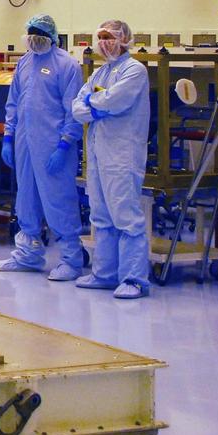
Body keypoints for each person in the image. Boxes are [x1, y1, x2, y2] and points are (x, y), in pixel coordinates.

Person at [0, 14, 85, 280]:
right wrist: (8, 137)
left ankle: (71, 259)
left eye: (38, 34)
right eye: (30, 34)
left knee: (58, 199)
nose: (33, 39)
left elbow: (73, 110)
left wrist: (65, 144)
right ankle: (28, 254)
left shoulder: (67, 66)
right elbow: (14, 103)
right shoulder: (24, 62)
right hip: (24, 143)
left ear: (52, 36)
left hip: (53, 145)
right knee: (26, 198)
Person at [72, 20, 151, 299]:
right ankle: (104, 274)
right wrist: (97, 106)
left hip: (122, 154)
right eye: (101, 37)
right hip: (97, 153)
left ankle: (134, 279)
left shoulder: (135, 70)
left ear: (124, 39)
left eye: (110, 37)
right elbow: (77, 108)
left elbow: (116, 101)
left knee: (126, 216)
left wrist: (95, 105)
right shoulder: (100, 73)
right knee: (101, 215)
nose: (105, 42)